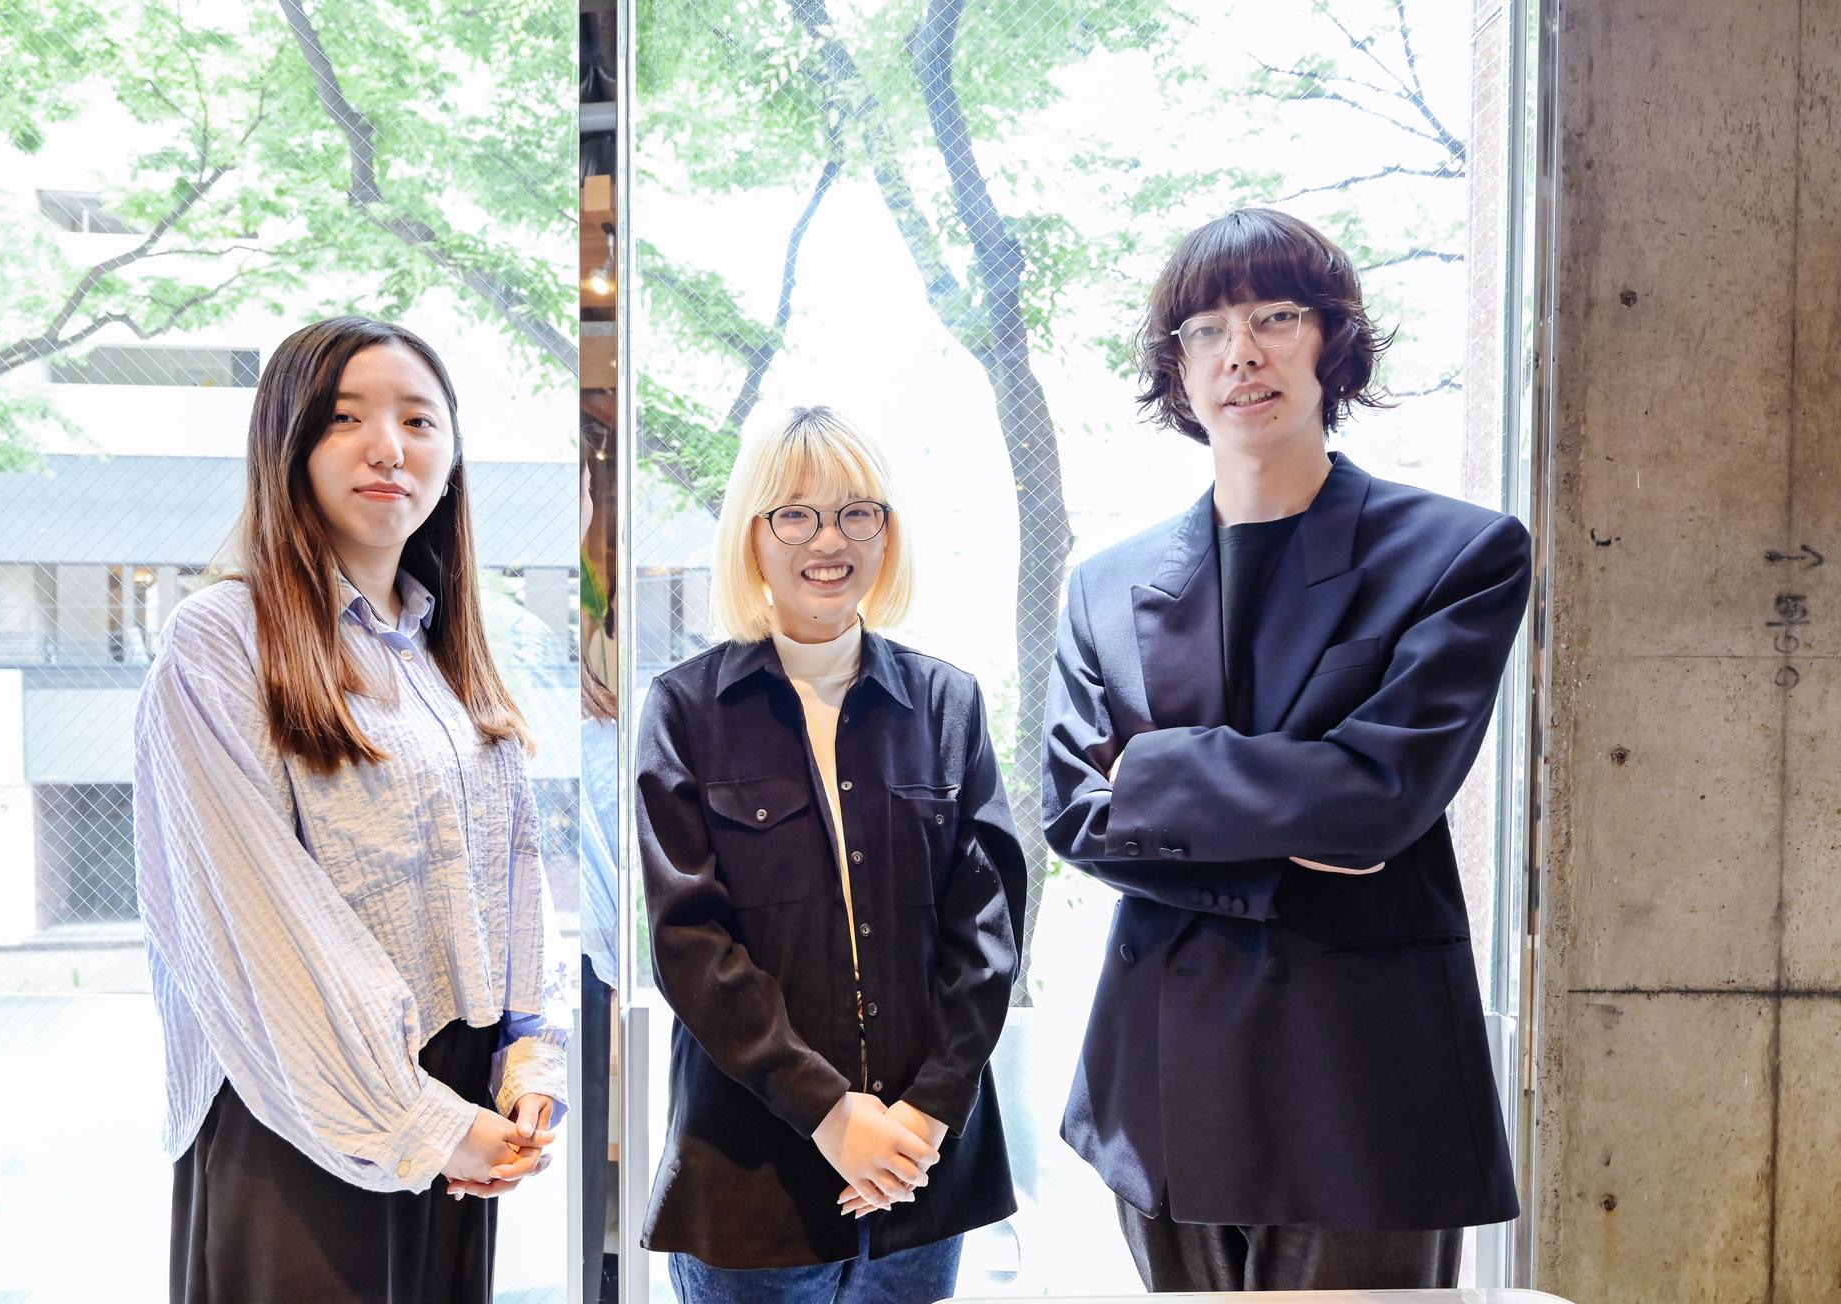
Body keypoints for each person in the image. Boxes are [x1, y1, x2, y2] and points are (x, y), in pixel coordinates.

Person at [1043, 208, 1527, 1292]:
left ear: (1331, 341)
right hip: (1160, 1084)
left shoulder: (1457, 553)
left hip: (1362, 1082)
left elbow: (1380, 797)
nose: (1241, 352)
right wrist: (1299, 820)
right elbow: (1075, 814)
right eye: (1207, 330)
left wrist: (1154, 774)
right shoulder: (1106, 586)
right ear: (1177, 369)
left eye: (1274, 316)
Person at [135, 316, 569, 1303]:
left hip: (457, 1096)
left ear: (452, 456)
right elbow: (255, 917)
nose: (388, 447)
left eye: (418, 419)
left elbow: (513, 868)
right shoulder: (221, 638)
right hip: (300, 1097)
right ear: (287, 445)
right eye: (345, 418)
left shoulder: (444, 642)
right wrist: (420, 1119)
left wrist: (528, 1047)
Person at [634, 406, 1025, 1301]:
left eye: (856, 513)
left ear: (887, 533)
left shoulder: (947, 705)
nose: (829, 539)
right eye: (796, 514)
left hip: (924, 1171)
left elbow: (988, 933)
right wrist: (828, 1113)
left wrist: (929, 1112)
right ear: (752, 535)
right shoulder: (685, 710)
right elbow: (687, 943)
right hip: (751, 1176)